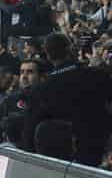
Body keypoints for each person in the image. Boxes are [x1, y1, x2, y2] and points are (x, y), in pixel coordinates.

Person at [21, 33, 112, 166]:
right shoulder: (98, 75)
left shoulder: (40, 90)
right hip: (99, 155)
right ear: (70, 49)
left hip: (60, 164)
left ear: (47, 54)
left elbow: (29, 135)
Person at [0, 59, 47, 145]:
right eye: (22, 72)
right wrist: (5, 148)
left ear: (42, 77)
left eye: (30, 72)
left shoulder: (49, 99)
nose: (24, 76)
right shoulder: (9, 100)